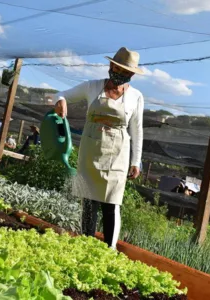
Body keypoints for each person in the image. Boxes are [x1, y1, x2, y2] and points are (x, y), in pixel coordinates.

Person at [53, 47, 144, 250]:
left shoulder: (135, 97)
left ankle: (109, 250)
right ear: (111, 66)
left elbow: (137, 130)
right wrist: (59, 101)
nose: (121, 74)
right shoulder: (92, 87)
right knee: (89, 201)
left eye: (127, 73)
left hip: (118, 154)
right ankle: (86, 247)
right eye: (118, 69)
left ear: (131, 75)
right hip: (91, 150)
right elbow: (61, 94)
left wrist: (136, 161)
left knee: (112, 203)